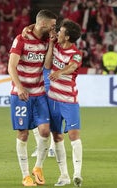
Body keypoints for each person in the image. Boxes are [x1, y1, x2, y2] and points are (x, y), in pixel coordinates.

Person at [8, 9, 57, 186]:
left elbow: (47, 65)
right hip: (20, 95)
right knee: (23, 134)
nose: (54, 29)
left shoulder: (46, 40)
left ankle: (38, 167)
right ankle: (25, 175)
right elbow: (11, 67)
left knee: (45, 131)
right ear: (43, 24)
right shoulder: (21, 39)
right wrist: (20, 87)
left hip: (39, 93)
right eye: (52, 26)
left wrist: (51, 44)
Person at [44, 18, 83, 187]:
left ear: (67, 37)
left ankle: (77, 173)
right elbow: (46, 64)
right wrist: (52, 45)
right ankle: (64, 176)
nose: (58, 32)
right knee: (57, 137)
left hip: (69, 100)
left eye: (61, 31)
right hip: (53, 99)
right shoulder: (56, 46)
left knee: (74, 136)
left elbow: (72, 67)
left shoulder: (76, 54)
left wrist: (59, 72)